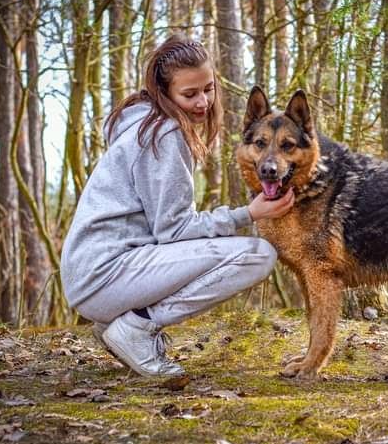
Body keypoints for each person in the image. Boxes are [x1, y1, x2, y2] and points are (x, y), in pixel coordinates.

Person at [60, 34, 294, 378]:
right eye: (189, 94)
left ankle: (117, 324)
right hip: (103, 275)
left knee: (232, 251)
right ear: (164, 93)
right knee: (258, 255)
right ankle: (137, 326)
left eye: (208, 88)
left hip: (90, 277)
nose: (203, 101)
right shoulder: (164, 134)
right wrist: (248, 214)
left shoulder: (143, 124)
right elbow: (174, 231)